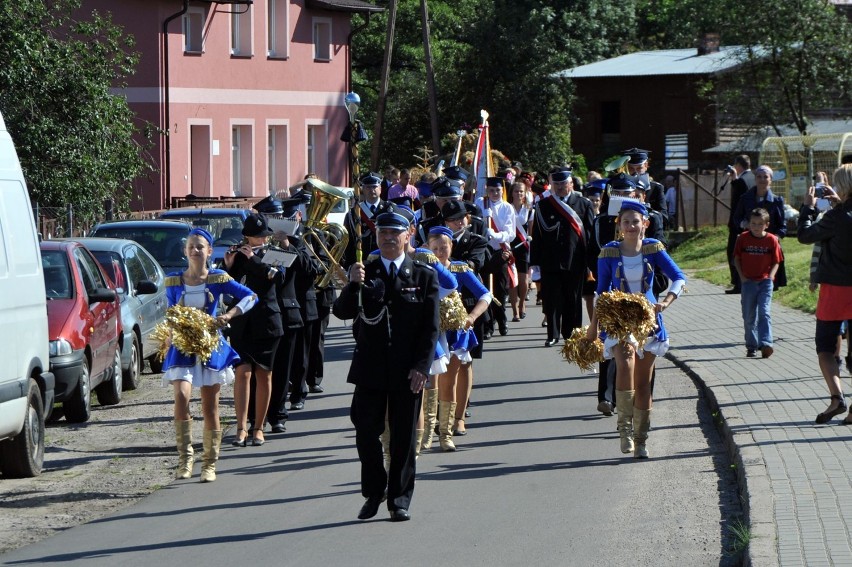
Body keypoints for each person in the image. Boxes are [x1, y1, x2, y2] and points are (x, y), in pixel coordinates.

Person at [333, 208, 439, 522]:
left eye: (395, 233)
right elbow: (341, 312)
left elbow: (430, 328)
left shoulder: (423, 275)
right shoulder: (366, 270)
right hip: (370, 367)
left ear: (408, 237)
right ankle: (375, 489)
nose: (389, 238)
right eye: (383, 234)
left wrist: (422, 366)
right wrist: (353, 285)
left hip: (408, 369)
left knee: (404, 438)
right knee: (365, 430)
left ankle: (399, 500)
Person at [586, 201, 686, 458]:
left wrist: (665, 302)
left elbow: (679, 277)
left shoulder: (654, 248)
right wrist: (593, 328)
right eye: (626, 222)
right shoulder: (608, 252)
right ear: (619, 225)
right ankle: (624, 430)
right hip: (619, 320)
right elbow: (601, 293)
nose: (631, 226)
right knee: (625, 364)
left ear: (645, 224)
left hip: (648, 321)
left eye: (635, 221)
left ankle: (641, 439)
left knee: (644, 383)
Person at [162, 228, 257, 482]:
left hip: (210, 347)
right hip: (182, 348)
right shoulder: (173, 281)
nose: (195, 250)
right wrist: (171, 332)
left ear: (209, 251)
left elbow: (250, 296)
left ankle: (209, 463)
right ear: (185, 251)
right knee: (181, 397)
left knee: (210, 407)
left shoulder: (218, 278)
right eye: (191, 246)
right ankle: (185, 458)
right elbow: (171, 313)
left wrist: (228, 315)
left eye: (200, 247)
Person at [223, 213, 285, 447]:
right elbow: (228, 286)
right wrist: (227, 266)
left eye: (262, 236)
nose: (259, 240)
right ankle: (241, 428)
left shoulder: (274, 254)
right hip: (241, 323)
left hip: (267, 322)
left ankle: (259, 428)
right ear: (246, 237)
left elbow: (277, 280)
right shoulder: (239, 256)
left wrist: (255, 261)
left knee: (263, 374)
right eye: (254, 237)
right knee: (243, 373)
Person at [797, 164, 852, 424]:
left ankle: (837, 397)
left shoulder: (835, 216)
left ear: (842, 186)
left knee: (825, 349)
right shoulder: (841, 212)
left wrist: (808, 207)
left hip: (835, 291)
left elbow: (805, 235)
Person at [428, 226, 491, 450]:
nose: (439, 251)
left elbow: (485, 294)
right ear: (428, 248)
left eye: (443, 246)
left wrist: (472, 316)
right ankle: (428, 427)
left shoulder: (460, 268)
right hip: (431, 331)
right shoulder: (422, 269)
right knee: (431, 379)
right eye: (434, 248)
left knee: (452, 377)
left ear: (451, 246)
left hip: (455, 330)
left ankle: (453, 424)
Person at [530, 166, 595, 347]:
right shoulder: (543, 205)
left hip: (575, 261)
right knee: (551, 299)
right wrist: (534, 263)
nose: (559, 187)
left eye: (563, 183)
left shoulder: (584, 204)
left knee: (572, 299)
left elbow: (589, 235)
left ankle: (572, 334)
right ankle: (552, 335)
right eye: (556, 184)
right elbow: (537, 236)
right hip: (550, 261)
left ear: (571, 183)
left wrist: (590, 262)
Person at [733, 208, 782, 358]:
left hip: (765, 282)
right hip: (748, 282)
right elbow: (736, 259)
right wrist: (742, 278)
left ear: (766, 225)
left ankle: (766, 344)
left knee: (764, 312)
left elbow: (776, 261)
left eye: (760, 224)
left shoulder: (771, 240)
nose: (756, 227)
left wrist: (771, 277)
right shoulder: (743, 238)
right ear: (749, 224)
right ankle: (751, 345)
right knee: (749, 316)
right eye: (753, 223)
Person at [732, 165, 787, 291]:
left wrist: (775, 239)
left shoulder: (777, 200)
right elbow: (736, 219)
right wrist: (745, 225)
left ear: (770, 180)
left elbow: (782, 226)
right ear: (755, 179)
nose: (762, 179)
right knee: (748, 290)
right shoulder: (745, 198)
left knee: (767, 290)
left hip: (768, 251)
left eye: (765, 177)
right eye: (759, 176)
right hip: (749, 248)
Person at [476, 176, 515, 337]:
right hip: (484, 250)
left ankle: (502, 320)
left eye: (498, 190)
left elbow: (510, 233)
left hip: (500, 251)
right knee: (485, 288)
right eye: (491, 190)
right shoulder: (481, 203)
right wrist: (484, 219)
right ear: (487, 189)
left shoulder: (507, 208)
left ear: (502, 190)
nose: (495, 193)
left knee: (500, 289)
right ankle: (488, 325)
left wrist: (496, 235)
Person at [343, 172, 389, 270]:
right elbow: (349, 241)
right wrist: (350, 266)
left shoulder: (389, 209)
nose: (371, 190)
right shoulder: (353, 213)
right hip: (363, 262)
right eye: (368, 187)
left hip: (385, 260)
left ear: (380, 188)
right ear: (362, 189)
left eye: (374, 187)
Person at [725, 155, 754, 294]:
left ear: (738, 165)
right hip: (750, 222)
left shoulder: (741, 181)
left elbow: (738, 203)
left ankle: (737, 283)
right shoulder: (753, 177)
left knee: (733, 252)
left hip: (739, 224)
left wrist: (734, 180)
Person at [623, 148, 668, 228]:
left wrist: (644, 213)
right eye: (631, 169)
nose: (635, 173)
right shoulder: (616, 187)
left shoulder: (656, 188)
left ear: (646, 166)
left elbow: (664, 217)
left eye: (639, 168)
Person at [508, 181, 532, 322]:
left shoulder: (529, 209)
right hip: (510, 245)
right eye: (516, 191)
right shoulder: (507, 208)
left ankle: (522, 302)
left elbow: (531, 228)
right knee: (512, 279)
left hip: (523, 245)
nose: (519, 194)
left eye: (521, 191)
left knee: (523, 279)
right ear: (511, 192)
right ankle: (514, 310)